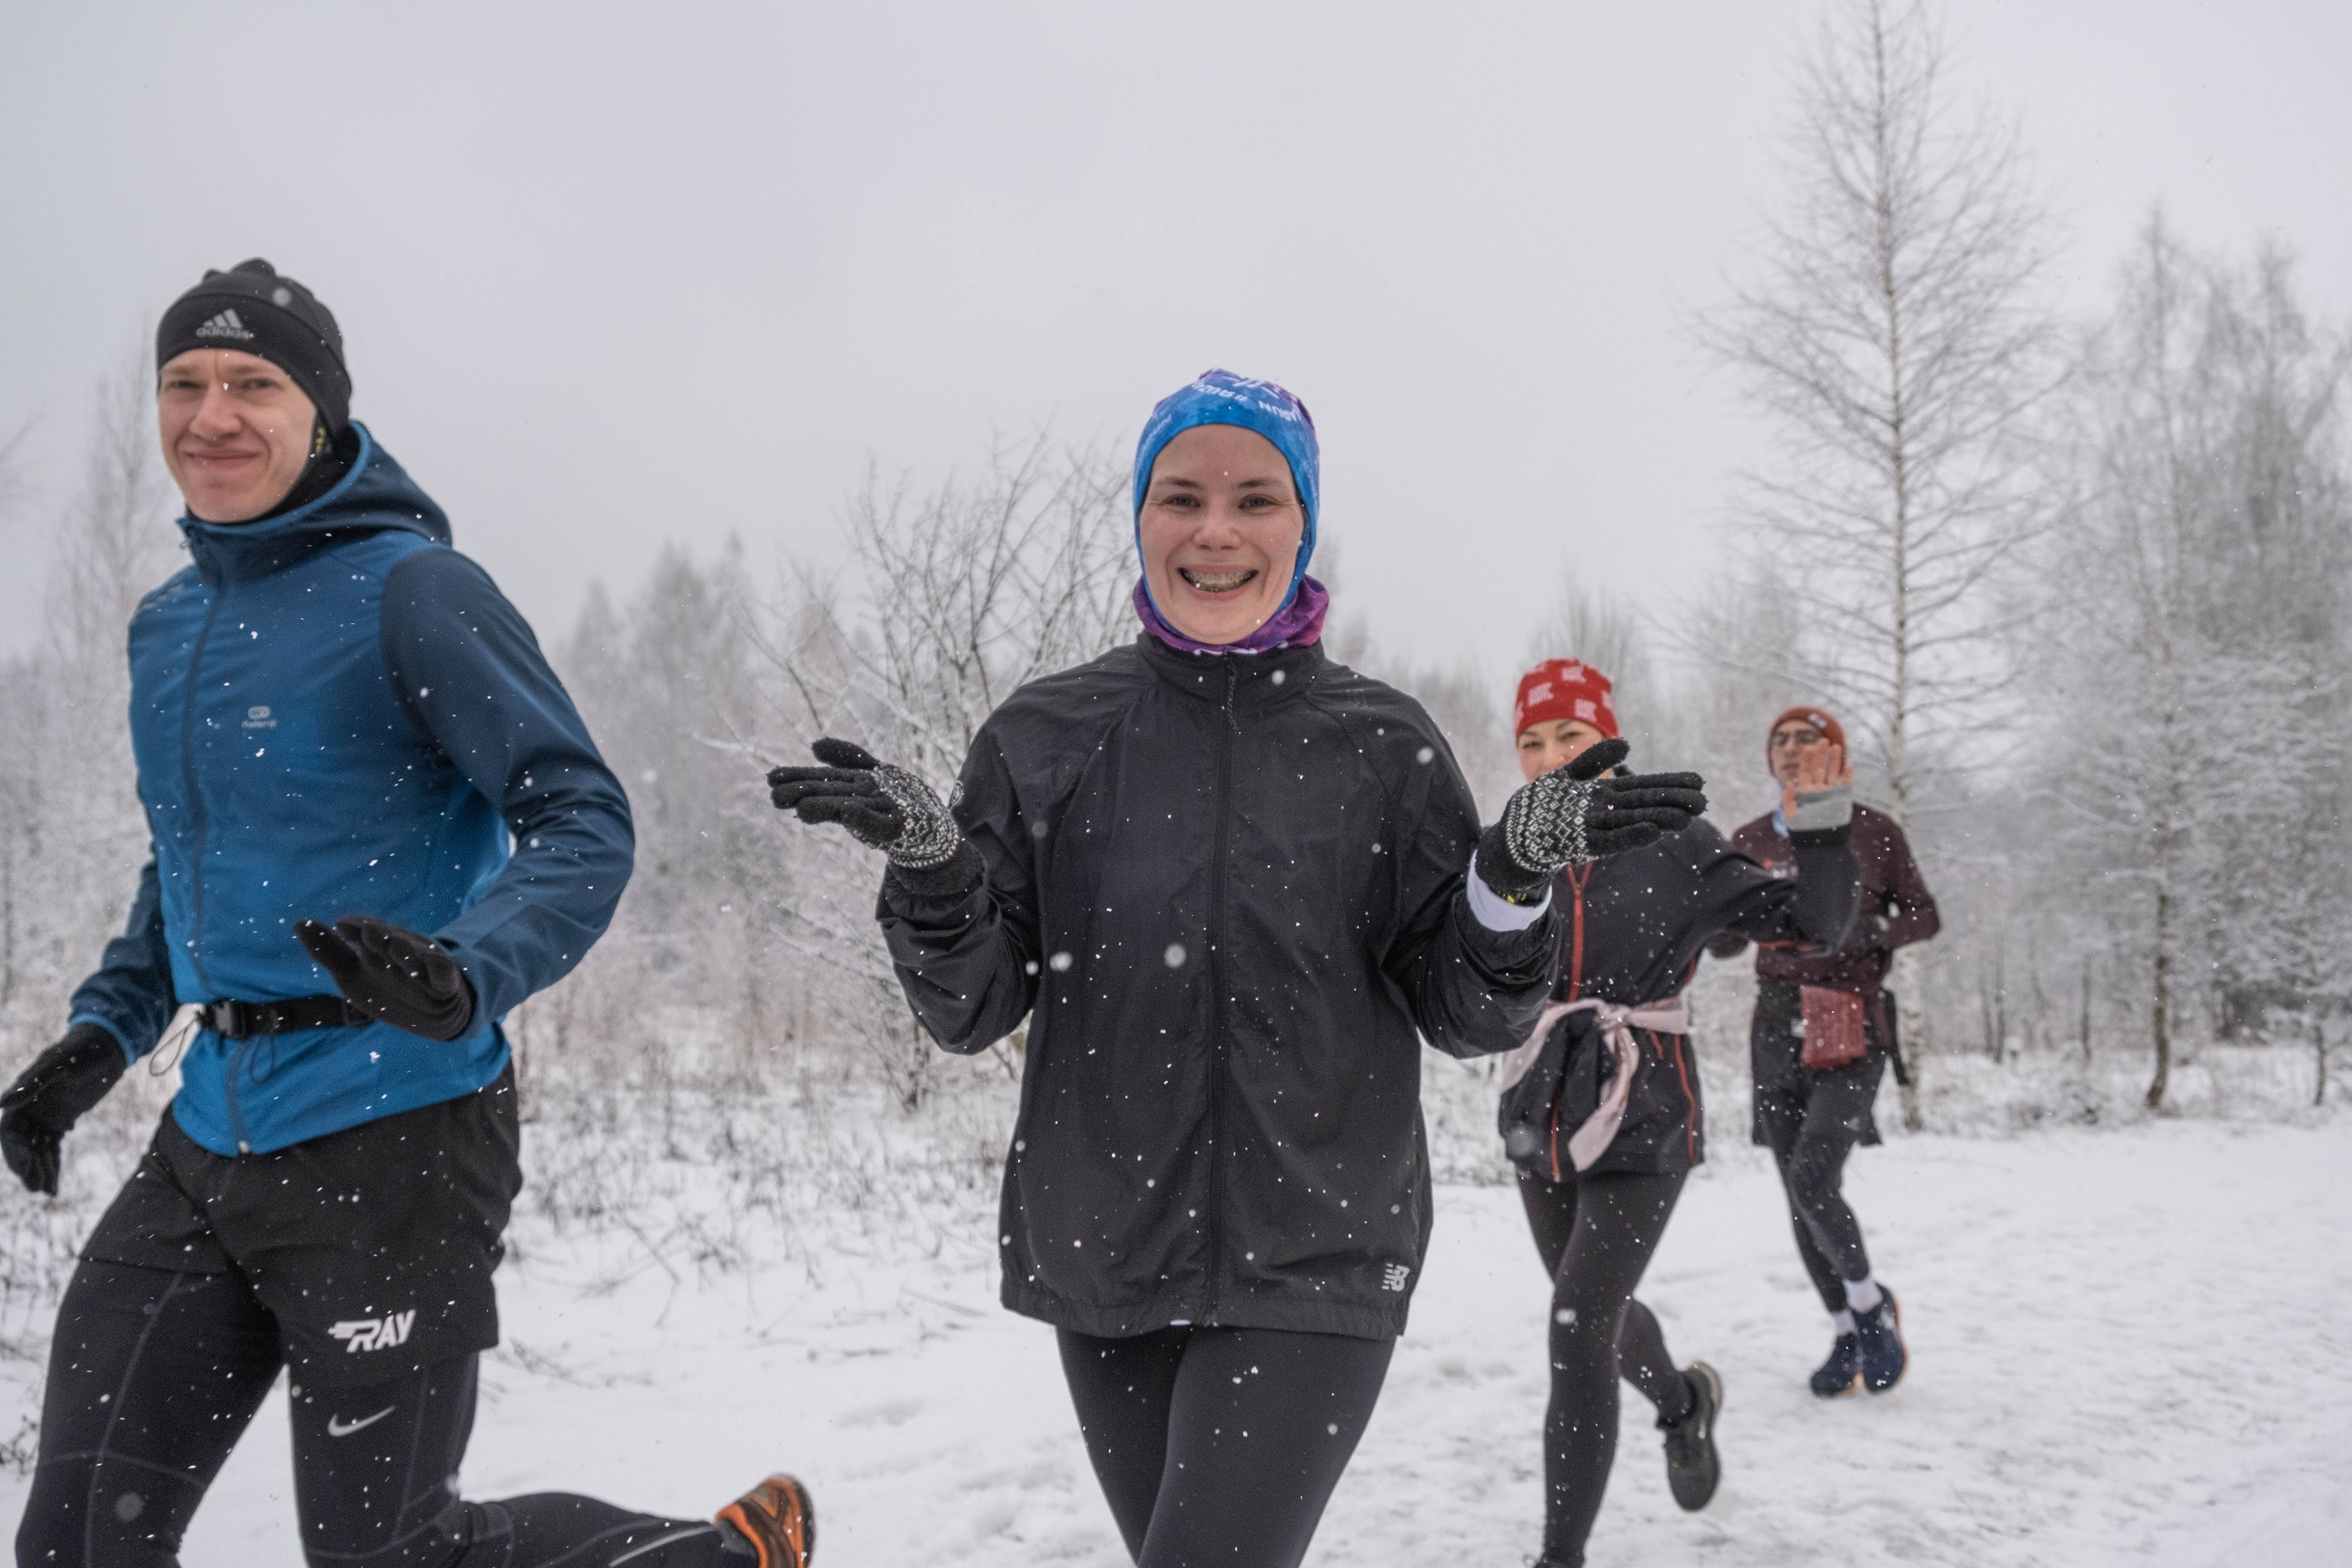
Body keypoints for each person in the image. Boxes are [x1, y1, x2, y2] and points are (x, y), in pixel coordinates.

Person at [766, 370, 1707, 1568]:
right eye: (1183, 497)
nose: (1216, 529)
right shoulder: (1046, 736)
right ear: (1142, 518)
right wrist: (935, 870)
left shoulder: (1385, 746)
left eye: (1256, 498)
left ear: (1301, 525)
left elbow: (1464, 1011)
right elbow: (973, 1006)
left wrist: (1508, 873)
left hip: (1318, 1245)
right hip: (1107, 1247)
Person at [0, 260, 813, 1568]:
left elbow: (582, 816)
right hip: (208, 1134)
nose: (212, 415)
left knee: (393, 1554)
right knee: (78, 1539)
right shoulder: (167, 623)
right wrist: (105, 1032)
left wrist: (468, 969)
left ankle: (725, 1557)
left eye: (253, 384)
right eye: (183, 383)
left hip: (397, 1133)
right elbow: (191, 860)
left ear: (320, 410)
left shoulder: (414, 591)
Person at [1495, 660, 1859, 1568]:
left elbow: (1815, 922)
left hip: (1645, 1108)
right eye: (1532, 740)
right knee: (1596, 1312)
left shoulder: (1677, 842)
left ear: (1609, 742)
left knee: (1576, 1321)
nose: (1550, 756)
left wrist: (1819, 818)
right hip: (1541, 1105)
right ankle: (1684, 1402)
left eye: (1570, 735)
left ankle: (1558, 1559)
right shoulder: (1511, 846)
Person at [1715, 705, 1940, 1399]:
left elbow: (1924, 914)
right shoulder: (1750, 839)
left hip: (1849, 1022)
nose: (1791, 749)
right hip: (1773, 1024)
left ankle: (1871, 1306)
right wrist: (1715, 921)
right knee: (1795, 1190)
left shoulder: (1873, 831)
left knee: (1815, 1177)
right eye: (1780, 739)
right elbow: (1726, 938)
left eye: (1808, 740)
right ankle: (1845, 1327)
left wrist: (1866, 931)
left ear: (1836, 755)